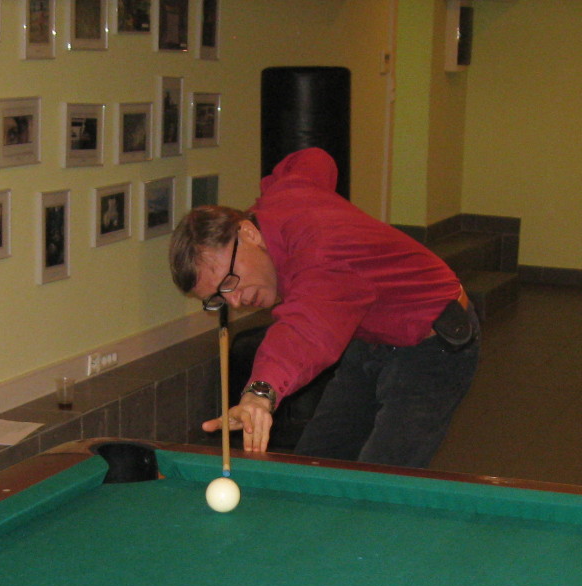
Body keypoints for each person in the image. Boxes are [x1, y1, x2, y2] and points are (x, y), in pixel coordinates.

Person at [168, 148, 479, 467]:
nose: (234, 301)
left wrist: (259, 394)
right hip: (370, 340)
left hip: (433, 344)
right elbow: (314, 160)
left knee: (381, 478)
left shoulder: (320, 250)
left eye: (229, 282)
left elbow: (305, 329)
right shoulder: (284, 197)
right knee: (318, 463)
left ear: (247, 232)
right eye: (219, 298)